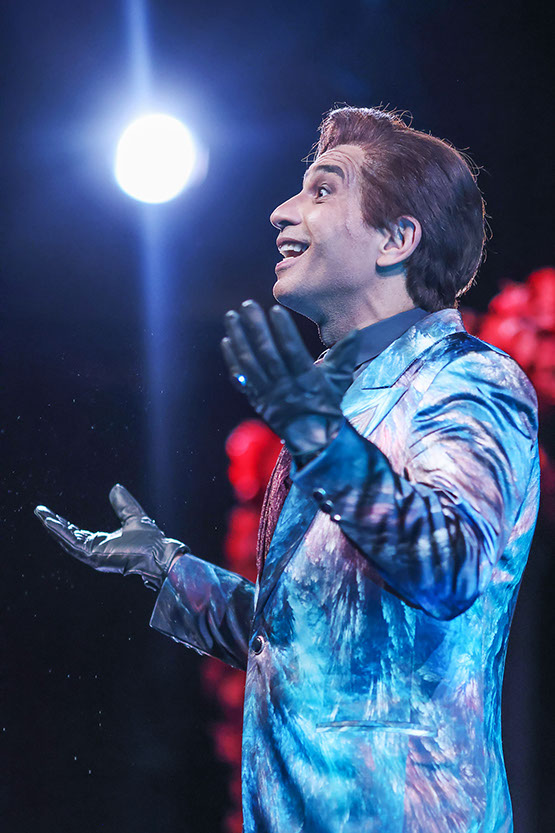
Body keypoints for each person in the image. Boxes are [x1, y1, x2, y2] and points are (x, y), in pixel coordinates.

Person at [35, 106, 540, 833]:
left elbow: (448, 565)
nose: (281, 212)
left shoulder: (468, 379)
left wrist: (316, 435)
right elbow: (311, 645)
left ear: (397, 239)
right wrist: (167, 567)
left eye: (322, 190)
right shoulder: (340, 396)